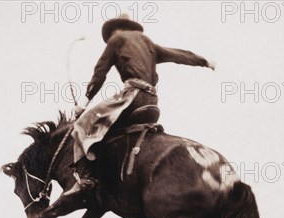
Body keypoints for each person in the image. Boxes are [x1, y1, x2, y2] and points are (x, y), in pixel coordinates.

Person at [69, 14, 215, 194]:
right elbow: (178, 55)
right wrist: (203, 61)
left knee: (83, 123)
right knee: (112, 130)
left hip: (133, 98)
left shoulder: (116, 40)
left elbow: (99, 74)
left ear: (113, 30)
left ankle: (86, 175)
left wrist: (82, 105)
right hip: (152, 103)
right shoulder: (148, 43)